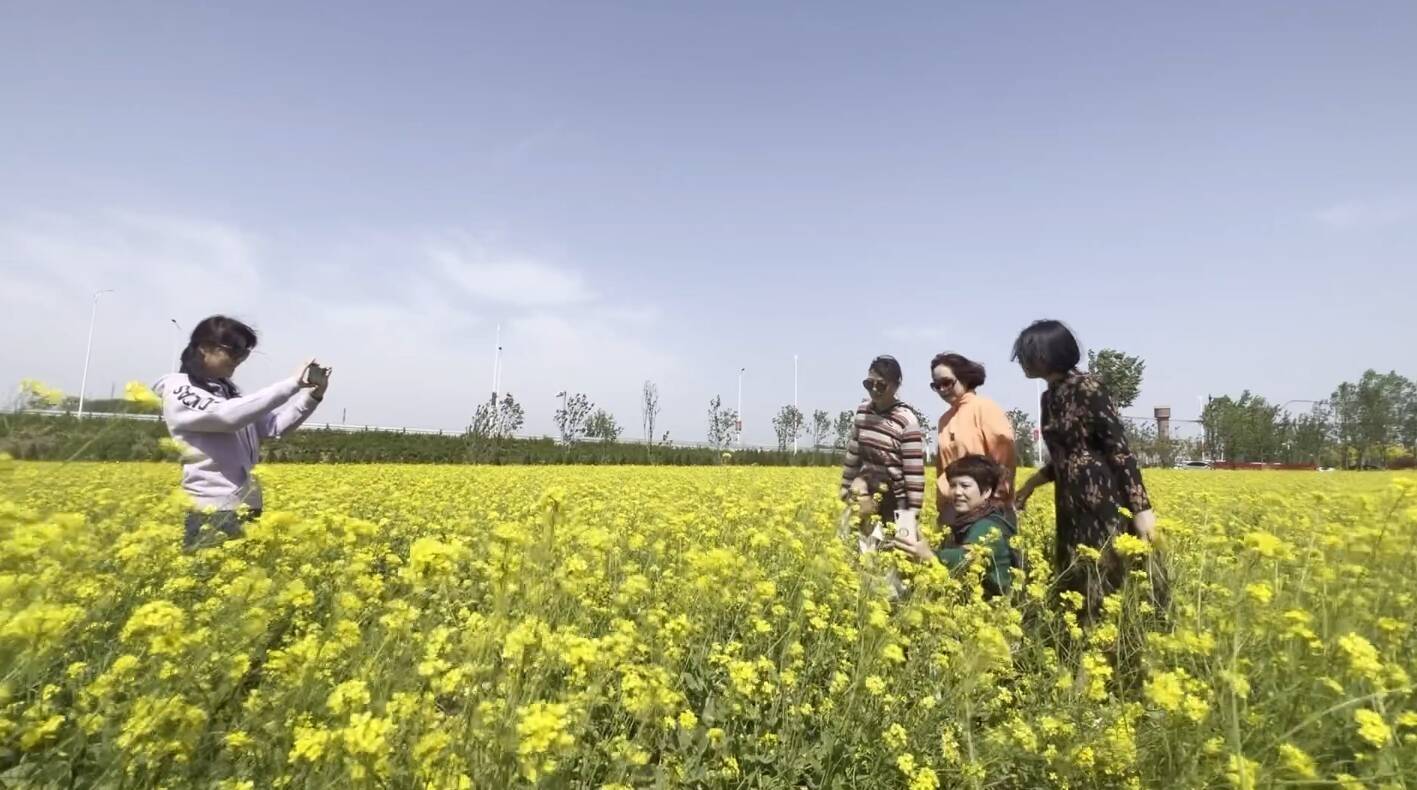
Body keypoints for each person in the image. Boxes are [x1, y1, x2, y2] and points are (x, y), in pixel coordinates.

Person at [1009, 319, 1158, 618]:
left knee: (1105, 581)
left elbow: (1118, 450)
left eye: (1027, 354)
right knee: (1074, 581)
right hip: (1068, 504)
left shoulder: (1089, 387)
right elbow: (1066, 454)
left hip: (1102, 501)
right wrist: (1031, 484)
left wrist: (1142, 510)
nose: (1022, 362)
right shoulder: (1049, 396)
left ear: (1045, 355)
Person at [153, 315, 330, 550]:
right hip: (213, 510)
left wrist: (313, 396)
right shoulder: (180, 389)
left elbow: (273, 427)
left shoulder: (229, 393)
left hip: (245, 505)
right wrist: (292, 384)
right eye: (233, 350)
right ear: (204, 348)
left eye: (244, 353)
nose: (238, 360)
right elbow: (226, 417)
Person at [891, 454, 1016, 597]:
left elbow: (964, 558)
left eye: (965, 486)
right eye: (952, 485)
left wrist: (928, 555)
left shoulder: (988, 526)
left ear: (987, 491)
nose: (957, 492)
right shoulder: (969, 520)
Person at [839, 355, 926, 537]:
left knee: (892, 553)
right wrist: (845, 490)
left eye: (881, 385)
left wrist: (911, 517)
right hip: (865, 494)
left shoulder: (906, 420)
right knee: (860, 549)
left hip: (894, 500)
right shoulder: (863, 412)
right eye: (869, 384)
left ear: (896, 385)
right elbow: (853, 456)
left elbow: (914, 474)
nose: (875, 389)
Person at [929, 352, 1017, 527]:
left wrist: (995, 500)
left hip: (986, 511)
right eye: (936, 385)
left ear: (965, 379)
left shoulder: (985, 408)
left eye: (946, 383)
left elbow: (1005, 458)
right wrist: (943, 508)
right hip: (953, 510)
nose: (941, 390)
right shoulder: (944, 420)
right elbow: (942, 469)